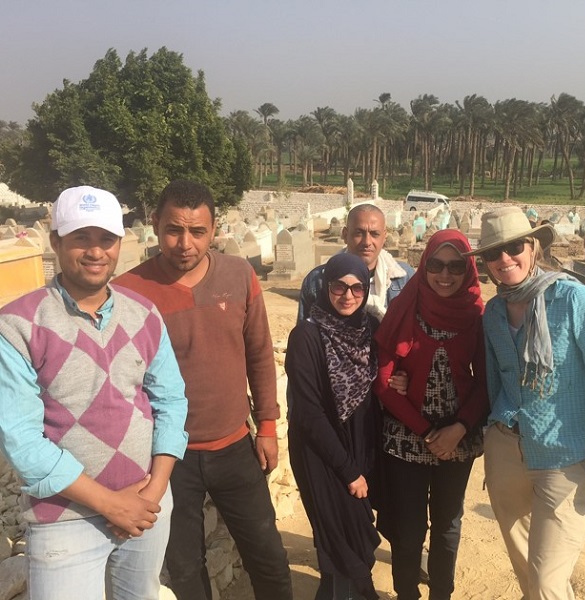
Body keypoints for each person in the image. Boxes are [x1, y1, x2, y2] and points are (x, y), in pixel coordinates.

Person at [0, 185, 188, 600]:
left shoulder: (144, 314)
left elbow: (171, 401)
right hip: (65, 519)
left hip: (146, 505)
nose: (95, 251)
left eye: (106, 239)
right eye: (80, 238)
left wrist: (153, 491)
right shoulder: (15, 326)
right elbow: (23, 441)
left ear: (120, 244)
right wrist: (109, 504)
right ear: (55, 243)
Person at [114, 180, 292, 600]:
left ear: (214, 230)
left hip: (235, 447)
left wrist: (266, 424)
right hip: (166, 458)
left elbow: (260, 353)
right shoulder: (128, 292)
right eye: (174, 229)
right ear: (155, 224)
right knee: (184, 567)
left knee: (268, 556)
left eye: (198, 232)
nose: (185, 243)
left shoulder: (238, 274)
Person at [464, 206, 585, 600]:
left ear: (533, 246)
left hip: (566, 456)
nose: (505, 260)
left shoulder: (573, 299)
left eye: (514, 248)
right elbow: (494, 381)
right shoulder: (492, 313)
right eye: (493, 253)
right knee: (530, 572)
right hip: (506, 451)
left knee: (546, 582)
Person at [374, 229, 488, 600]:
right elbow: (384, 382)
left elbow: (487, 382)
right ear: (424, 265)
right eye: (436, 264)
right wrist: (426, 431)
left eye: (456, 266)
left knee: (447, 524)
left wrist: (458, 428)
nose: (445, 274)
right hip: (409, 433)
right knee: (408, 529)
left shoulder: (475, 315)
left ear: (468, 269)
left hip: (459, 435)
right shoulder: (406, 305)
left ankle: (442, 594)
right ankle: (407, 593)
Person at [286, 253, 381, 600]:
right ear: (326, 287)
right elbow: (309, 412)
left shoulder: (371, 330)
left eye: (357, 288)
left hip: (359, 446)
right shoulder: (306, 336)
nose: (348, 295)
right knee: (336, 536)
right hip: (320, 452)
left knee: (356, 531)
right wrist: (348, 471)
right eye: (339, 286)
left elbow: (385, 378)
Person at [297, 203, 414, 322]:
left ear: (384, 237)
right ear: (345, 234)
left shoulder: (405, 279)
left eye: (375, 234)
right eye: (359, 233)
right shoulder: (317, 281)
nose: (367, 242)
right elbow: (305, 334)